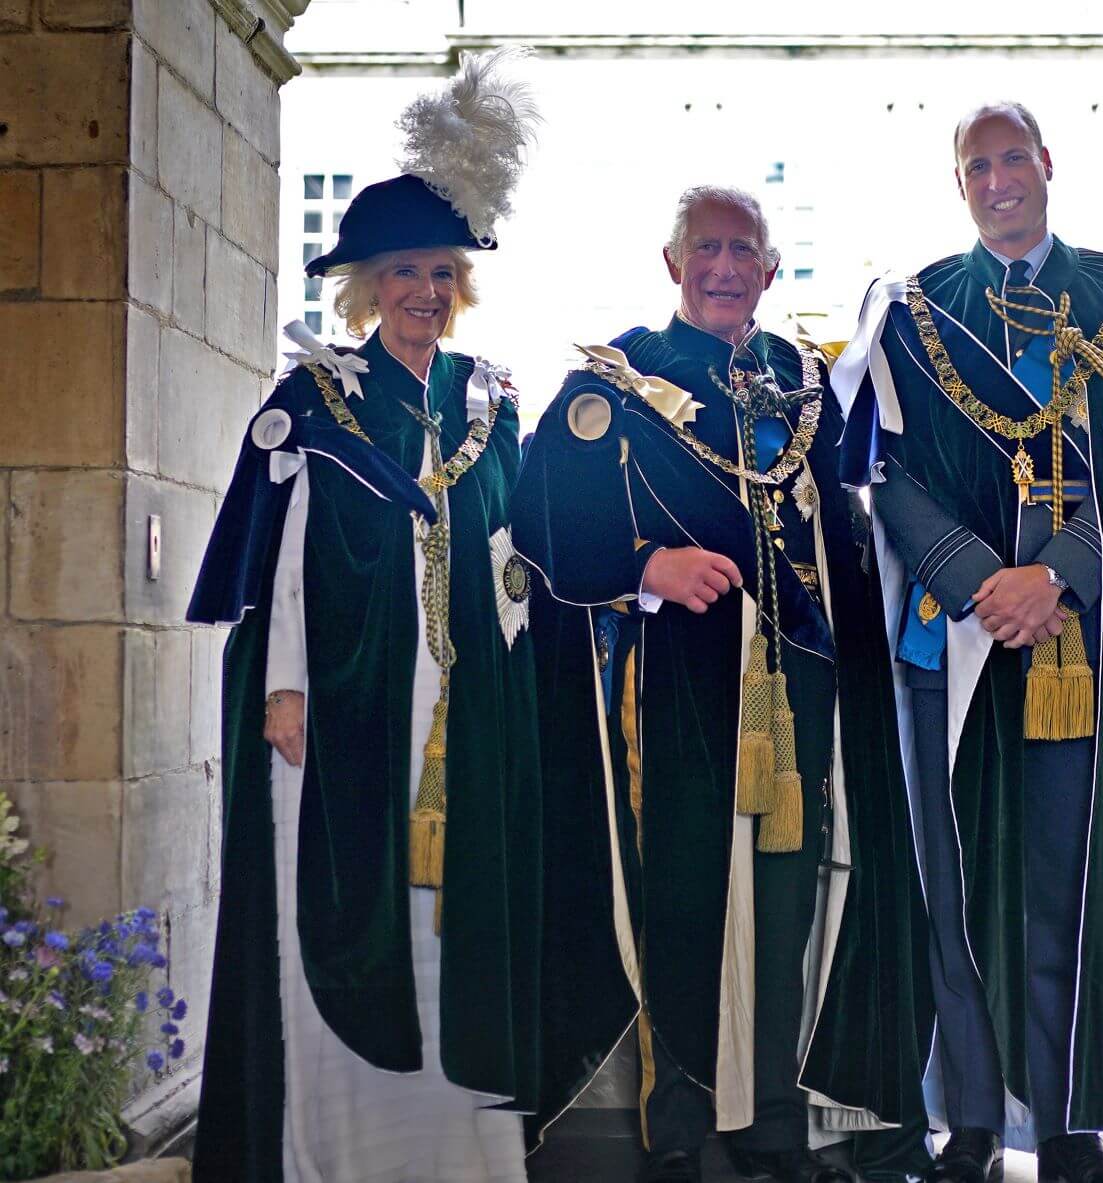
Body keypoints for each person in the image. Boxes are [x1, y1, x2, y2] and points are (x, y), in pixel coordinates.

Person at [513, 186, 932, 1183]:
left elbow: (848, 525)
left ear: (772, 270)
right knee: (687, 898)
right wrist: (643, 565)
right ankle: (680, 1123)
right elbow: (540, 524)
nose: (726, 266)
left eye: (746, 250)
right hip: (678, 690)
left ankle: (776, 1124)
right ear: (671, 262)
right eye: (707, 247)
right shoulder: (614, 382)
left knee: (791, 903)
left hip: (807, 693)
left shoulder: (804, 379)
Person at [187, 50, 542, 1183]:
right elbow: (281, 558)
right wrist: (284, 683)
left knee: (454, 928)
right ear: (365, 287)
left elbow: (510, 551)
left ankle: (456, 1153)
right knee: (343, 912)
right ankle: (331, 1153)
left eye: (441, 272)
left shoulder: (492, 398)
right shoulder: (316, 398)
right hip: (344, 705)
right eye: (403, 273)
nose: (423, 292)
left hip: (467, 709)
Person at [832, 101, 1103, 1183]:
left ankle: (1072, 1125)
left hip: (1081, 649)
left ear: (1048, 165)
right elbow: (883, 472)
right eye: (975, 166)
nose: (997, 181)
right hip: (951, 640)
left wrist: (1062, 577)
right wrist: (977, 581)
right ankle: (977, 1124)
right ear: (960, 184)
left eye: (1011, 160)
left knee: (1066, 883)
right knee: (955, 890)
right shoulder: (911, 308)